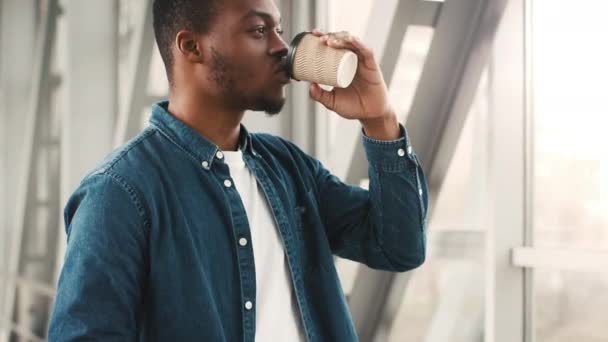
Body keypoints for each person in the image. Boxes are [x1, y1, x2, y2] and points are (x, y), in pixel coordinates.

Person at [48, 0, 428, 341]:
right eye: (259, 30)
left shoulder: (287, 168)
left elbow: (398, 248)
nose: (281, 47)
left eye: (278, 29)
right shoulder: (119, 193)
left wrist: (380, 120)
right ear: (191, 46)